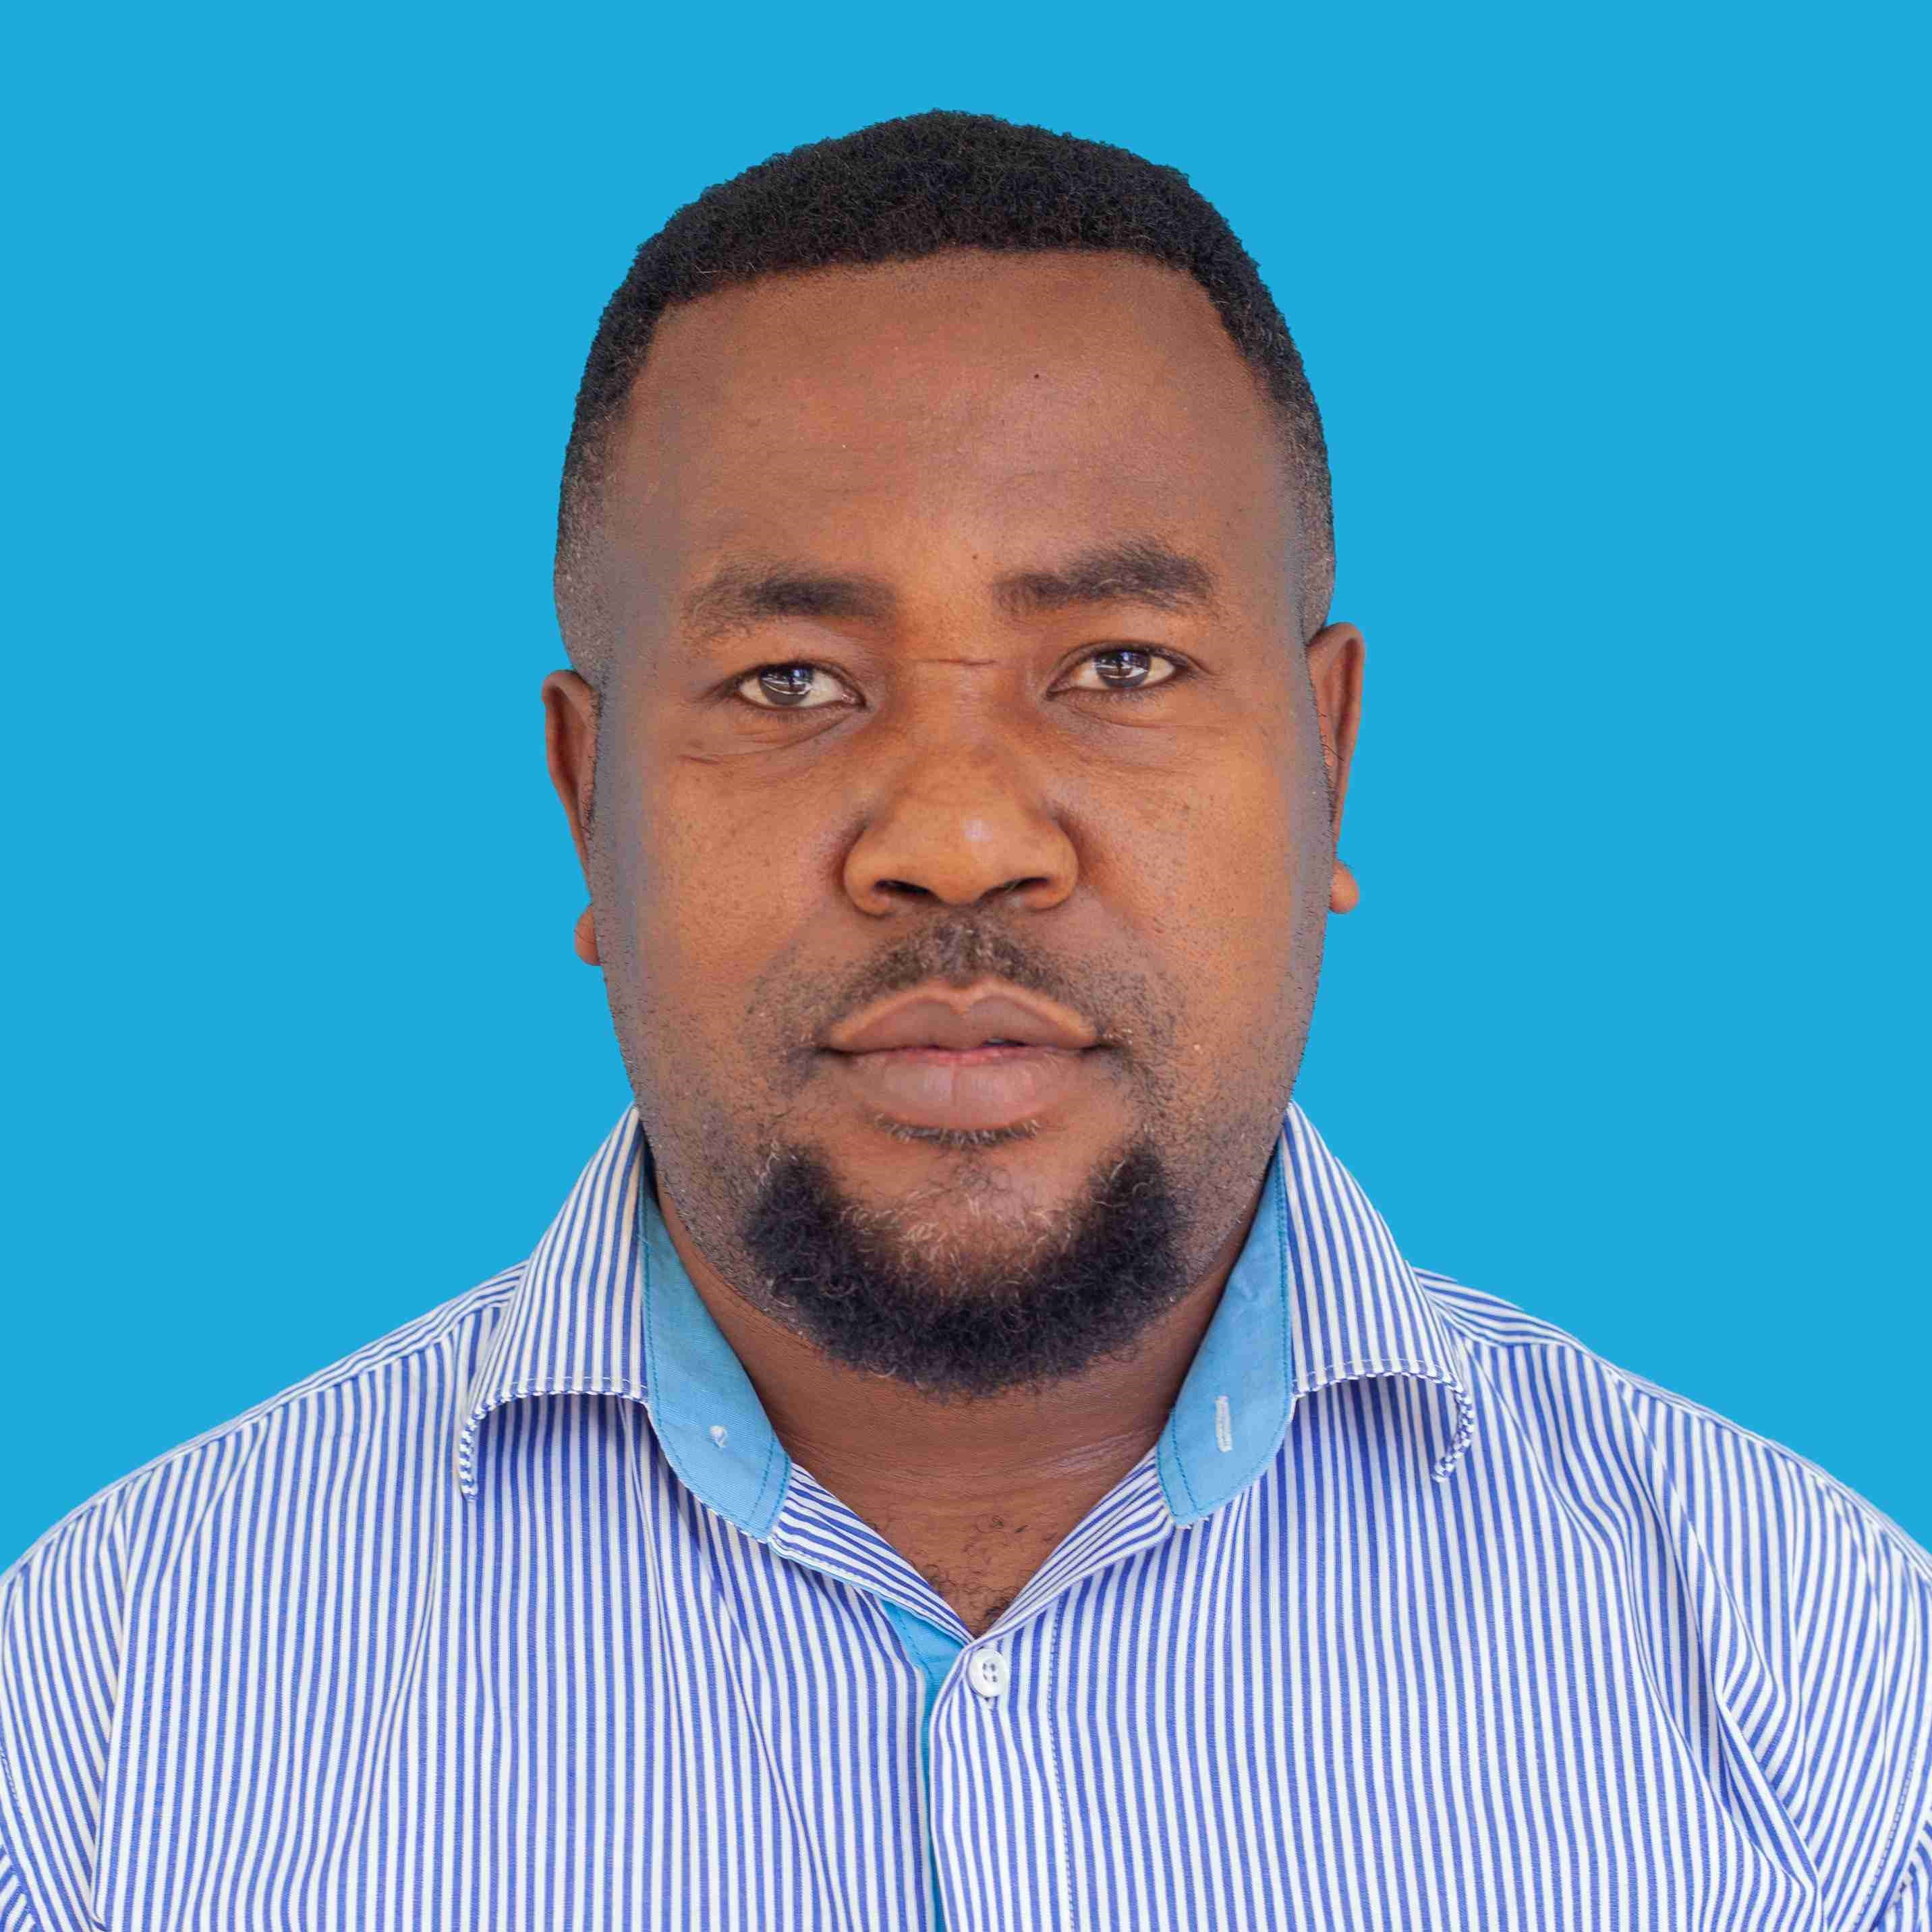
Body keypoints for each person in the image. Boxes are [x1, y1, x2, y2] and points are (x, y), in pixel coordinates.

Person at [2, 108, 1927, 1932]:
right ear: (588, 804)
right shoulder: (106, 1714)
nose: (960, 839)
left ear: (1329, 759)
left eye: (1120, 664)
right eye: (789, 682)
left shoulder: (1825, 1690)